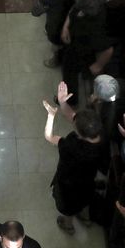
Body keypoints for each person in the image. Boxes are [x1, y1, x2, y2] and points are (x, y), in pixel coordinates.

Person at [44, 88, 104, 234]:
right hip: (88, 181)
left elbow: (49, 136)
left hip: (68, 185)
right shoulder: (100, 136)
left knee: (69, 207)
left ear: (79, 133)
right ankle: (85, 218)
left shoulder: (71, 147)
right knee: (84, 200)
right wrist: (63, 102)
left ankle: (68, 225)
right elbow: (73, 116)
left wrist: (51, 115)